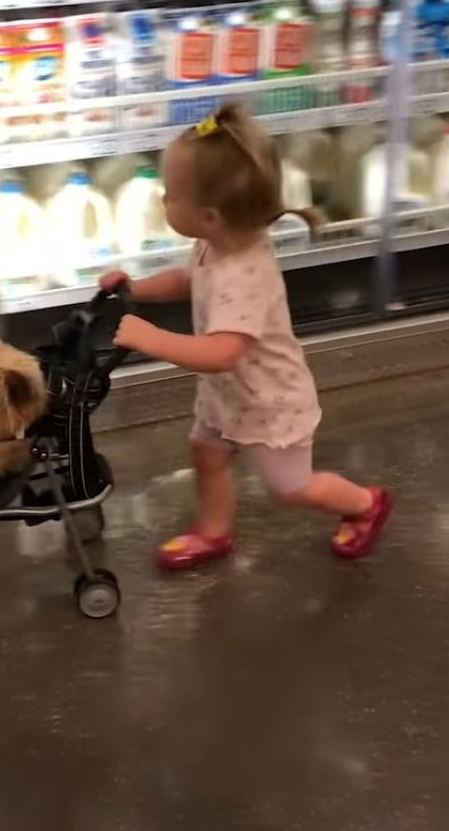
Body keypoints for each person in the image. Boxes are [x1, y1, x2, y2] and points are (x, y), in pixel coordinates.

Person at [99, 103, 392, 570]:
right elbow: (187, 279)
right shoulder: (215, 245)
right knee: (207, 453)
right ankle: (214, 532)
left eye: (170, 194)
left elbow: (221, 352)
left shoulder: (244, 273)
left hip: (269, 405)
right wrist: (136, 288)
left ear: (210, 215)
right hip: (229, 399)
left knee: (292, 487)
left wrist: (148, 337)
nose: (161, 200)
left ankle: (364, 504)